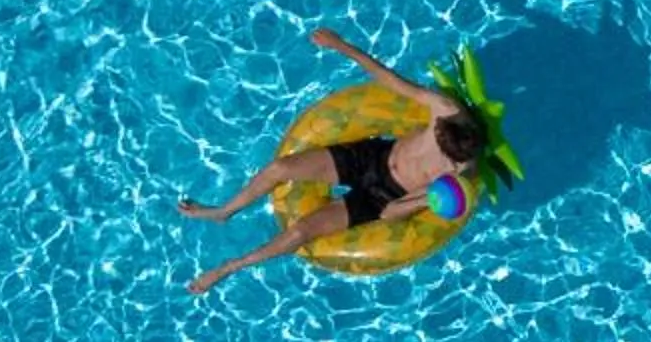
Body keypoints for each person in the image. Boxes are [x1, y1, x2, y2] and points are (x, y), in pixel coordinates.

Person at [181, 28, 488, 290]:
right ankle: (223, 211)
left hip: (383, 197)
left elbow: (392, 213)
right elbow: (389, 79)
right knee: (281, 168)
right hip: (372, 157)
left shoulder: (459, 175)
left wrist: (427, 201)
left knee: (301, 232)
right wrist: (341, 45)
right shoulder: (444, 109)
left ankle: (228, 268)